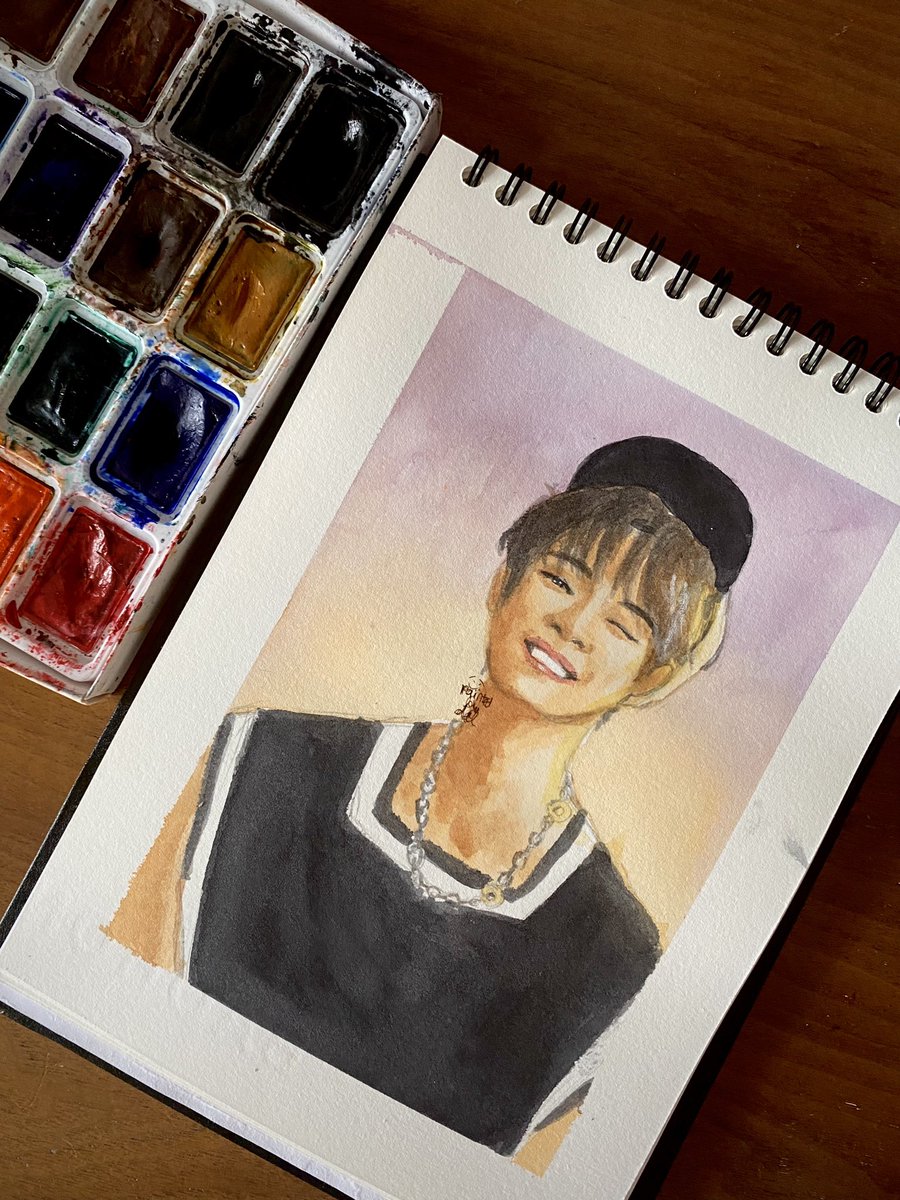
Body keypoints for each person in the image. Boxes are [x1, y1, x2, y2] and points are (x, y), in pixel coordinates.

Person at [107, 435, 753, 1162]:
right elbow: (115, 996)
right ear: (503, 582)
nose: (572, 627)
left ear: (650, 678)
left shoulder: (617, 963)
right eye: (560, 579)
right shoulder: (253, 758)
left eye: (623, 625)